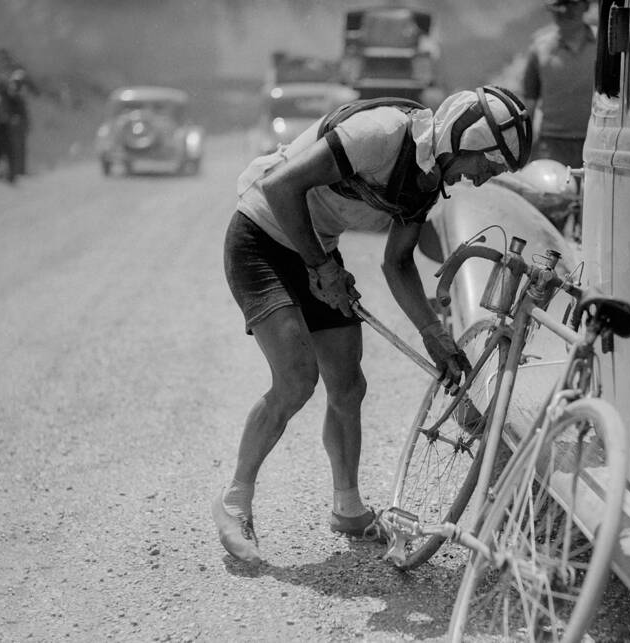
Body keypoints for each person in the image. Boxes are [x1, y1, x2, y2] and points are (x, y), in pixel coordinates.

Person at [212, 86, 533, 564]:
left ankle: (347, 507)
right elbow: (281, 188)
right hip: (262, 236)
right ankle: (234, 501)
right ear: (465, 140)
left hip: (313, 243)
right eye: (487, 166)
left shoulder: (427, 180)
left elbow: (397, 262)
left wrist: (435, 336)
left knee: (348, 384)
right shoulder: (380, 134)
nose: (482, 180)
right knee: (298, 379)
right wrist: (322, 270)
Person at [520, 0, 596, 169]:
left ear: (586, 6)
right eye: (559, 6)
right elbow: (529, 101)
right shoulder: (540, 47)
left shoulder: (604, 46)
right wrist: (524, 147)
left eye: (573, 5)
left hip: (596, 143)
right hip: (552, 146)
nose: (565, 11)